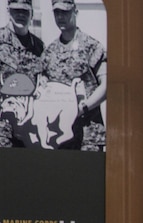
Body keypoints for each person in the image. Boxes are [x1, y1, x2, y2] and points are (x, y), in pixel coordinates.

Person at [0, 0, 45, 147]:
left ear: (31, 14)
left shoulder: (39, 46)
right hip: (1, 129)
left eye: (25, 11)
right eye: (16, 10)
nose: (20, 15)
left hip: (30, 129)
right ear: (8, 11)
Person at [38, 0, 107, 151]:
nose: (61, 17)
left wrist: (83, 108)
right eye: (57, 13)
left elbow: (106, 85)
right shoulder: (49, 52)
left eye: (65, 12)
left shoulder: (92, 46)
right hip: (59, 136)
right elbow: (43, 86)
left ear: (75, 12)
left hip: (89, 136)